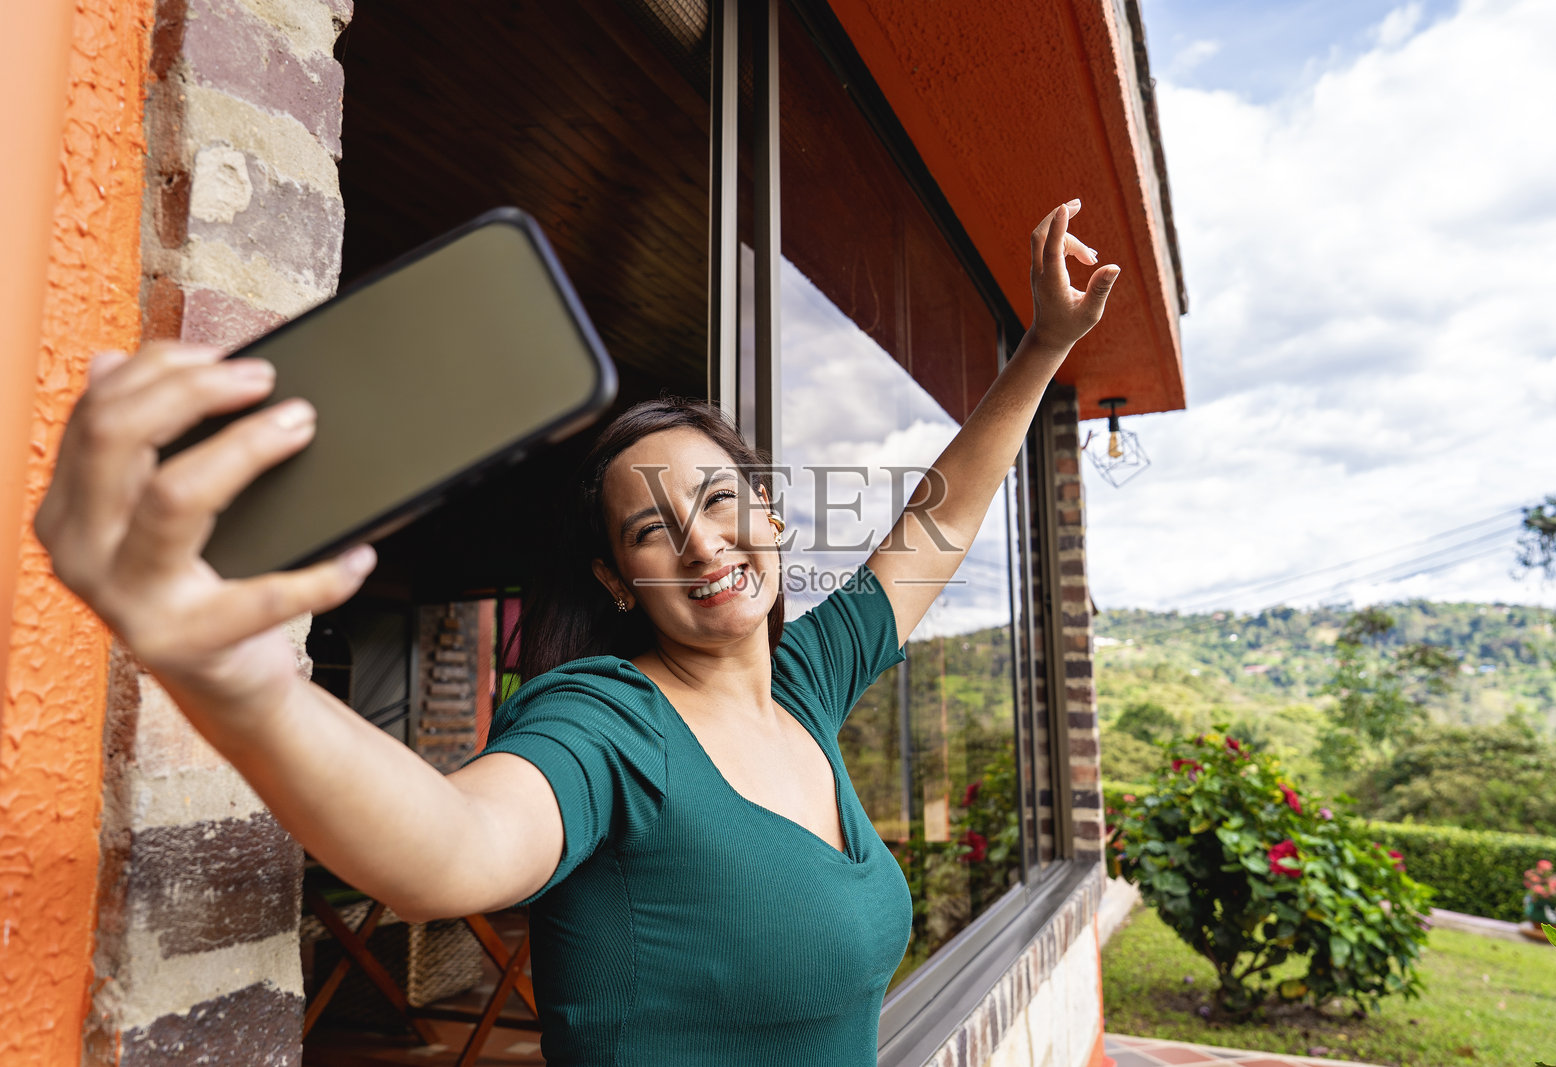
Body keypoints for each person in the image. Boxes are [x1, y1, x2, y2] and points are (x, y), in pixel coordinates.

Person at [34, 202, 1117, 1065]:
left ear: (775, 515)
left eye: (723, 500)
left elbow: (939, 521)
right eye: (653, 527)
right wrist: (231, 673)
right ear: (616, 577)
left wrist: (1039, 349)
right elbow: (453, 848)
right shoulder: (606, 719)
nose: (703, 544)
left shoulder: (803, 681)